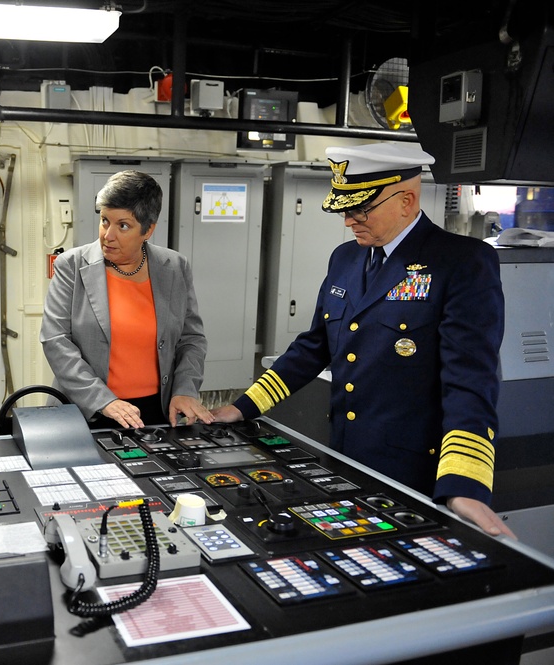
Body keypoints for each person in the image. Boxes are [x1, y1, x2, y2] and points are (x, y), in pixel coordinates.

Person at [212, 143, 514, 539]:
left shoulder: (461, 262)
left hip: (412, 473)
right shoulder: (346, 258)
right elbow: (313, 347)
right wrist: (243, 407)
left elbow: (470, 381)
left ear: (406, 200)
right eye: (345, 208)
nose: (349, 220)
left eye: (360, 209)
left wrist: (463, 486)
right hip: (343, 457)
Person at [41, 170, 213, 429]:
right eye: (104, 221)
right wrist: (104, 401)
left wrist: (185, 389)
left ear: (148, 230)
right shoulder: (72, 266)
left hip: (157, 413)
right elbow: (56, 341)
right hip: (88, 412)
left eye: (123, 226)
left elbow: (192, 339)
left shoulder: (175, 267)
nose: (108, 235)